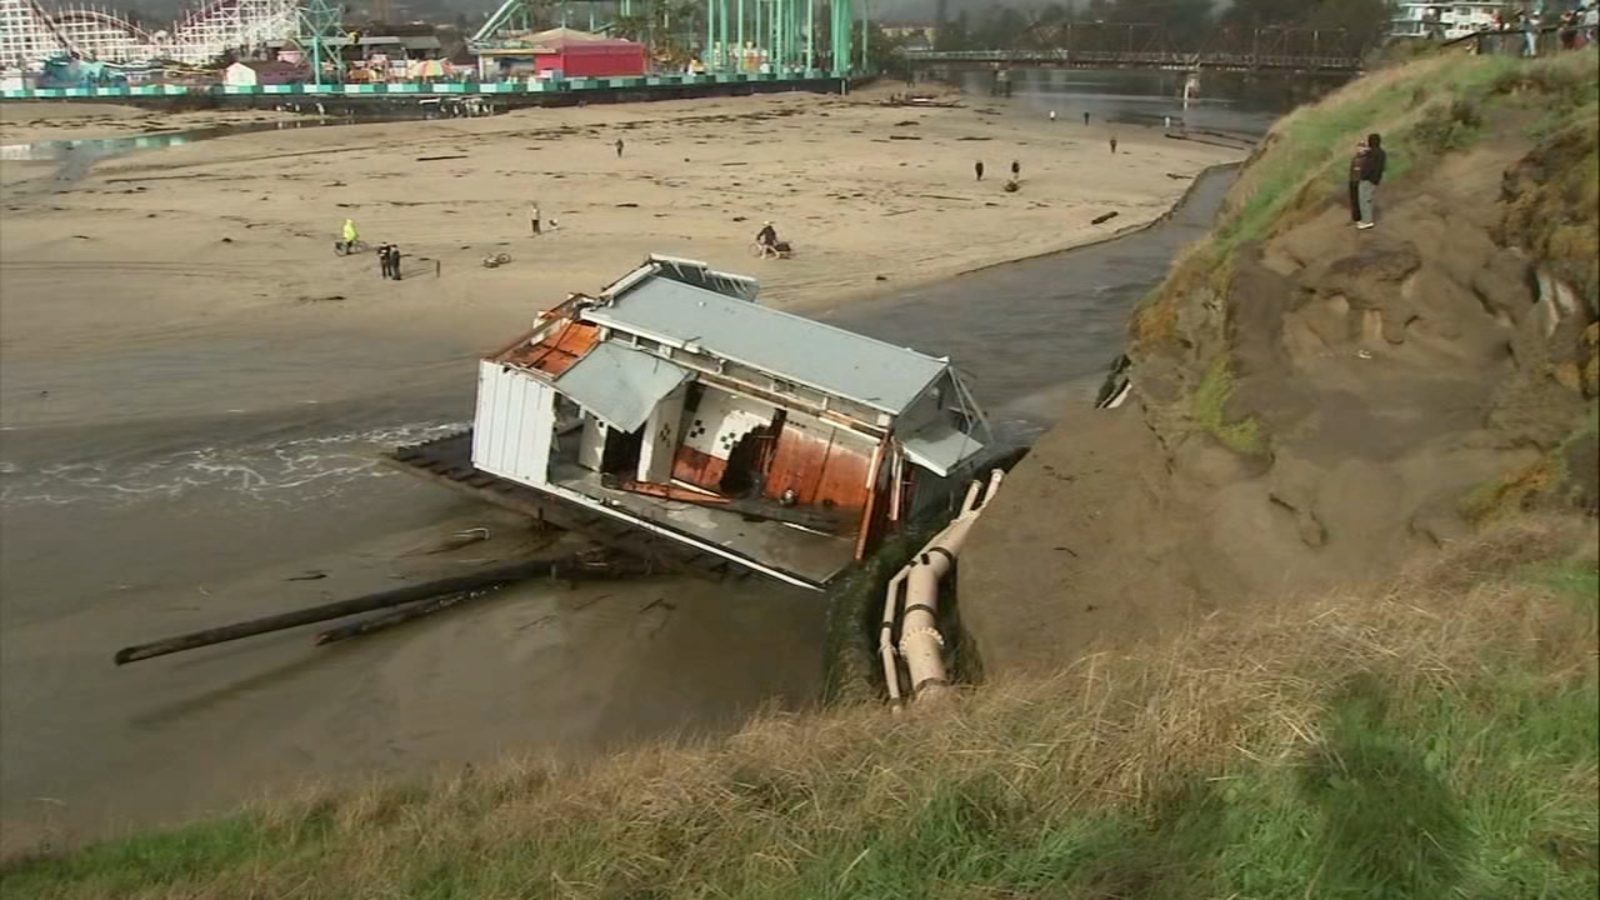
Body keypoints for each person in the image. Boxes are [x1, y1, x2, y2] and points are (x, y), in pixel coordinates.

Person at [1352, 133, 1386, 230]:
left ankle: (1366, 221)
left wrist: (1362, 176)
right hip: (1376, 179)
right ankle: (1367, 220)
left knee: (1364, 200)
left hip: (1368, 179)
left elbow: (1368, 167)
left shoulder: (1372, 153)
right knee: (1368, 199)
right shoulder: (1382, 153)